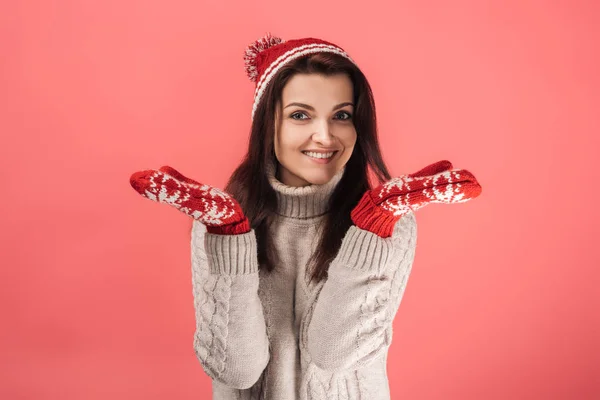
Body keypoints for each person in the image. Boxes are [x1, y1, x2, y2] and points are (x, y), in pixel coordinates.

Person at [129, 33, 482, 400]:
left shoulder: (390, 222)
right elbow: (235, 368)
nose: (324, 136)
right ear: (269, 124)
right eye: (300, 115)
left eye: (341, 116)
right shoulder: (219, 221)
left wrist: (371, 229)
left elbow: (336, 354)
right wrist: (228, 238)